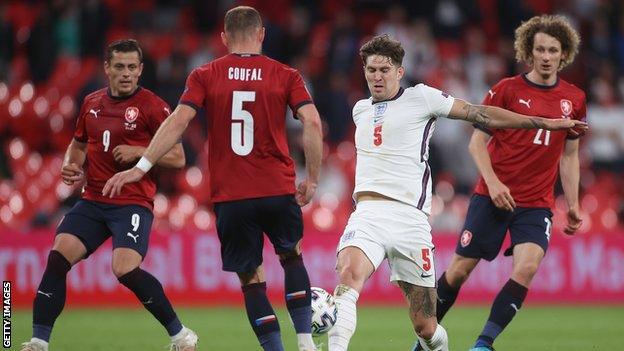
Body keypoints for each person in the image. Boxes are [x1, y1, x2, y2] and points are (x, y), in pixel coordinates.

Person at [326, 34, 587, 351]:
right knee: (349, 276)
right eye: (371, 70)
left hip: (410, 221)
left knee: (426, 326)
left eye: (384, 69)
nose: (377, 77)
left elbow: (482, 114)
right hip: (367, 214)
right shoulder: (359, 109)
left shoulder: (422, 98)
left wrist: (542, 123)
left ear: (399, 71)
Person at [102, 6, 323, 351]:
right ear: (261, 34)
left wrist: (141, 166)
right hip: (277, 188)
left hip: (231, 195)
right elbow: (311, 122)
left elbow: (177, 120)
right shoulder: (286, 74)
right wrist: (312, 178)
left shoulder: (205, 75)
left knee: (251, 279)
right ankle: (307, 344)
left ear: (223, 38)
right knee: (291, 256)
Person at [420, 15, 586, 351]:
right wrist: (493, 183)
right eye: (539, 48)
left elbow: (569, 156)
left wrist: (573, 204)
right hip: (491, 197)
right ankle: (424, 341)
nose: (546, 55)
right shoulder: (507, 89)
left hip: (536, 203)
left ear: (563, 53)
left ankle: (483, 344)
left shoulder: (575, 98)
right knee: (458, 273)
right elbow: (476, 144)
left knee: (527, 267)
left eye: (553, 50)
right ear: (529, 50)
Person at [20, 39, 197, 351]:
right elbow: (77, 144)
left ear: (141, 70)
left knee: (124, 268)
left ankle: (181, 336)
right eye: (119, 67)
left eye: (132, 67)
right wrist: (69, 166)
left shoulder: (153, 107)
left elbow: (179, 158)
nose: (126, 73)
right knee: (58, 257)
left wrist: (138, 152)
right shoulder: (91, 102)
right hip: (93, 199)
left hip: (131, 202)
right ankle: (38, 342)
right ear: (107, 69)